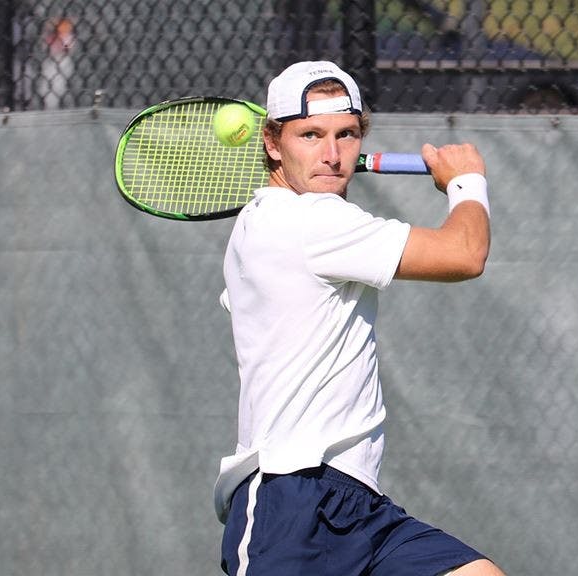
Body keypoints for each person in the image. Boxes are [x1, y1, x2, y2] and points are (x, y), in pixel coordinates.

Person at [215, 60, 503, 576]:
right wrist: (467, 183)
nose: (331, 154)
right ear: (272, 143)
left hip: (354, 502)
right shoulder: (305, 219)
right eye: (310, 135)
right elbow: (464, 254)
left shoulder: (264, 220)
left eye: (345, 134)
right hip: (291, 501)